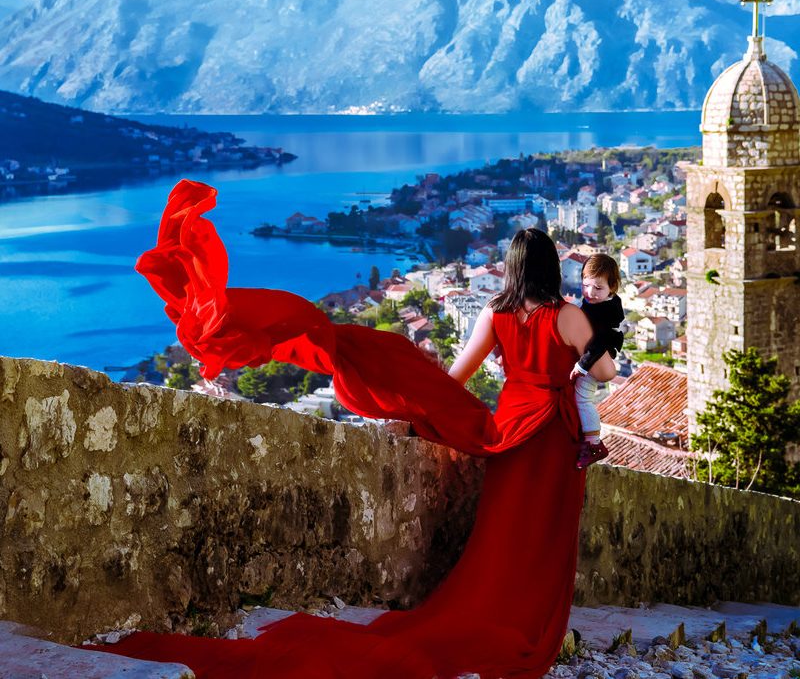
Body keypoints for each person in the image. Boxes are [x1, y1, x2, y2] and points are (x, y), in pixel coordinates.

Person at [95, 182, 615, 679]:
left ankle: (490, 611)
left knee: (501, 531)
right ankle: (532, 621)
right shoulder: (569, 316)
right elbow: (605, 373)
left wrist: (422, 392)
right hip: (555, 432)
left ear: (511, 269)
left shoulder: (495, 312)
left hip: (508, 427)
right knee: (547, 532)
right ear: (551, 269)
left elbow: (456, 377)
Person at [568, 254, 625, 470]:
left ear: (612, 287)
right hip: (592, 354)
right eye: (585, 285)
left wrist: (582, 365)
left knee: (583, 399)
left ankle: (593, 444)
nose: (590, 293)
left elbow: (600, 342)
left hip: (597, 357)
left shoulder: (607, 311)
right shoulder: (599, 302)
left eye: (598, 288)